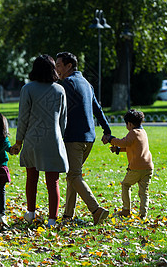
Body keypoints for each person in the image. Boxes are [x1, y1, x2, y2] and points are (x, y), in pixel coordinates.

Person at [11, 54, 69, 227]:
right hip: (53, 139)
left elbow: (23, 118)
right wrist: (60, 137)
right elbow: (63, 120)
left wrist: (18, 142)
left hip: (32, 139)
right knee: (53, 181)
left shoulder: (27, 89)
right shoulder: (60, 90)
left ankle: (30, 212)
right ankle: (52, 219)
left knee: (32, 178)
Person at [55, 52, 111, 225]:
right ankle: (67, 215)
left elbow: (61, 110)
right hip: (89, 138)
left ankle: (96, 210)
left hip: (74, 137)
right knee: (73, 175)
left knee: (73, 175)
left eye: (59, 65)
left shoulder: (68, 83)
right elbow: (97, 108)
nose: (56, 69)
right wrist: (106, 129)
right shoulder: (86, 83)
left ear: (69, 65)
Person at [107, 109, 154, 219]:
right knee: (143, 192)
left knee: (126, 185)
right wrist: (119, 149)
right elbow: (133, 147)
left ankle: (126, 210)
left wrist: (111, 139)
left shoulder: (133, 132)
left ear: (130, 124)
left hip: (136, 168)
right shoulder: (143, 132)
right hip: (148, 167)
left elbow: (125, 142)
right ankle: (143, 214)